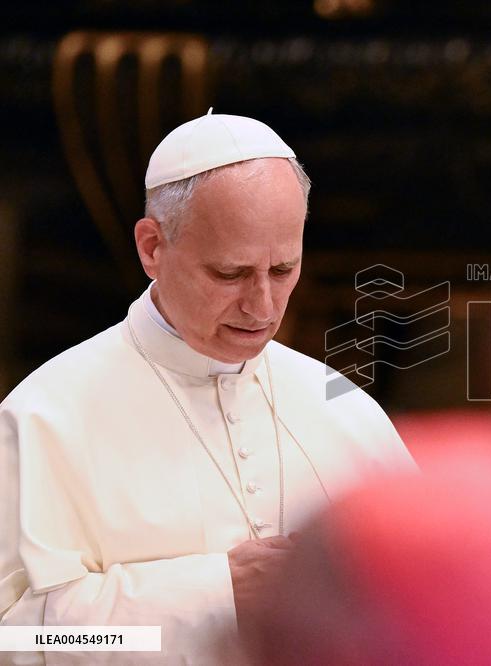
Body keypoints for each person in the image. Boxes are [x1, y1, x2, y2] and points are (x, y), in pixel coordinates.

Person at [0, 111, 416, 664]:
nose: (262, 307)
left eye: (283, 269)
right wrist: (215, 593)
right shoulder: (42, 417)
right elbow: (17, 638)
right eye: (229, 273)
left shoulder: (340, 404)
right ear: (152, 247)